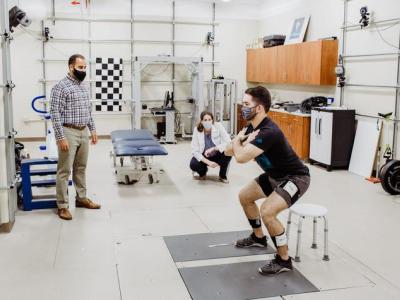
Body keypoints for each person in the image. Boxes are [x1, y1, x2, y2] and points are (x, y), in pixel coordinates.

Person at [225, 86, 310, 275]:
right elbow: (229, 151)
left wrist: (238, 141)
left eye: (246, 104)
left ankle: (284, 259)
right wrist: (238, 143)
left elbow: (240, 157)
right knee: (245, 196)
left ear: (259, 108)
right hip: (274, 175)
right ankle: (258, 238)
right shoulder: (251, 127)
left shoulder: (268, 132)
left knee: (268, 212)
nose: (242, 108)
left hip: (295, 178)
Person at [50, 54, 101, 221]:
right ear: (71, 67)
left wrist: (92, 129)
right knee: (64, 171)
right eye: (80, 67)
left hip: (83, 131)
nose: (83, 70)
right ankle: (63, 206)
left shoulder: (84, 86)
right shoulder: (61, 87)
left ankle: (81, 198)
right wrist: (60, 137)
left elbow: (88, 110)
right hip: (68, 132)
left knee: (81, 168)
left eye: (85, 67)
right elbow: (55, 114)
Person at [190, 111, 232, 183]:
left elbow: (228, 142)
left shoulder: (218, 126)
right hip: (204, 156)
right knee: (193, 164)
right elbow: (195, 151)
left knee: (229, 151)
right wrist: (209, 162)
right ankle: (203, 173)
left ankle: (222, 175)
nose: (208, 122)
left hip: (217, 154)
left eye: (209, 119)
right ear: (201, 121)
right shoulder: (196, 130)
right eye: (205, 120)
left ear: (212, 120)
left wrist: (214, 148)